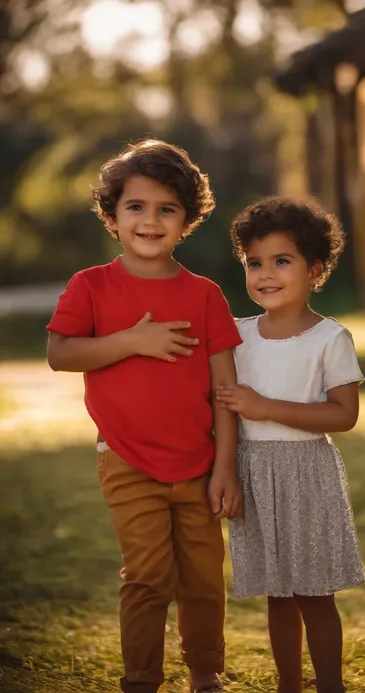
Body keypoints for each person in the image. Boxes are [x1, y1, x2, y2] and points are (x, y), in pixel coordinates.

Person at [46, 139, 243, 693]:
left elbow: (225, 389)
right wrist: (133, 340)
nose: (150, 220)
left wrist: (225, 468)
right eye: (135, 207)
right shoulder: (91, 286)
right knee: (149, 578)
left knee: (204, 580)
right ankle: (142, 680)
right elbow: (61, 354)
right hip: (128, 463)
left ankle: (205, 674)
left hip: (201, 465)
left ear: (187, 219)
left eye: (166, 208)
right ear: (113, 217)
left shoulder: (205, 295)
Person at [216, 196, 365, 693]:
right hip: (253, 473)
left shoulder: (329, 338)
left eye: (282, 261)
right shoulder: (235, 337)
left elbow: (344, 414)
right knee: (276, 595)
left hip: (307, 475)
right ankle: (288, 685)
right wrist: (229, 475)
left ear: (315, 269)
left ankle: (331, 686)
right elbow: (221, 409)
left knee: (313, 593)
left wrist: (266, 408)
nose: (266, 274)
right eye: (254, 263)